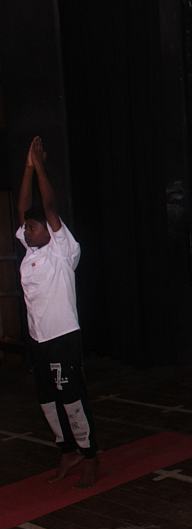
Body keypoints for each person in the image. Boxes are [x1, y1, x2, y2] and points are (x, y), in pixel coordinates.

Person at [17, 136, 99, 487]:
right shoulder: (30, 252)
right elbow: (24, 208)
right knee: (47, 399)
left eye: (33, 227)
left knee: (71, 397)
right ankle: (66, 450)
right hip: (38, 339)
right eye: (26, 228)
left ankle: (89, 454)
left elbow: (48, 206)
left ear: (50, 230)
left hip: (63, 336)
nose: (27, 231)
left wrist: (40, 167)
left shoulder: (62, 249)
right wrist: (27, 167)